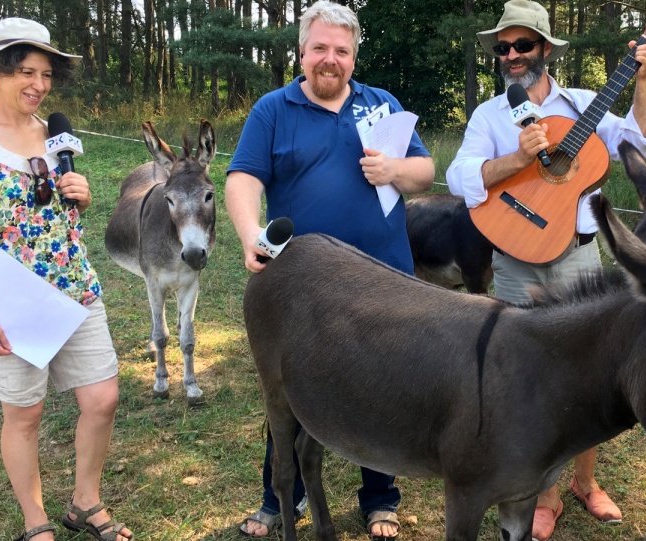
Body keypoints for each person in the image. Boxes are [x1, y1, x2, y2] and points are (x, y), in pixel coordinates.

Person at [446, 0, 646, 539]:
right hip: (515, 258)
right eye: (503, 48)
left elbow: (639, 143)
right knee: (525, 377)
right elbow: (457, 177)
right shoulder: (490, 116)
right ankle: (540, 494)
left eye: (522, 45)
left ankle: (585, 485)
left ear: (545, 48)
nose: (512, 56)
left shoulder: (587, 103)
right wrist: (517, 160)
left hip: (578, 256)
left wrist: (641, 82)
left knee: (589, 373)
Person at [224, 1, 435, 539]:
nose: (330, 59)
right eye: (320, 48)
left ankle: (381, 497)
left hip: (384, 282)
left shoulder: (382, 106)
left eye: (341, 50)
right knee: (288, 390)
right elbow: (243, 178)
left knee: (383, 386)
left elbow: (425, 173)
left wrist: (395, 169)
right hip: (302, 287)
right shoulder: (273, 109)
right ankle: (280, 498)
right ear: (302, 52)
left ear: (354, 56)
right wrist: (250, 232)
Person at [0, 18, 132, 541]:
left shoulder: (54, 134)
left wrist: (80, 195)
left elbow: (55, 215)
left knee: (103, 398)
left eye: (45, 74)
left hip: (74, 288)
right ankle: (35, 521)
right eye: (25, 71)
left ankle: (85, 502)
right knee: (25, 415)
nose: (38, 85)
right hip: (7, 304)